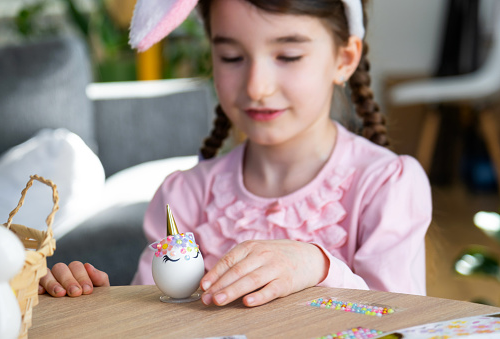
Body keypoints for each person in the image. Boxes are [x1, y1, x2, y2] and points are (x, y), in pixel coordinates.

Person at [39, 0, 432, 307]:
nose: (257, 86)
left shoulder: (386, 186)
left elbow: (402, 321)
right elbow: (157, 314)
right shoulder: (184, 197)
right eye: (231, 57)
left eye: (288, 56)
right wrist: (102, 302)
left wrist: (318, 266)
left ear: (344, 59)